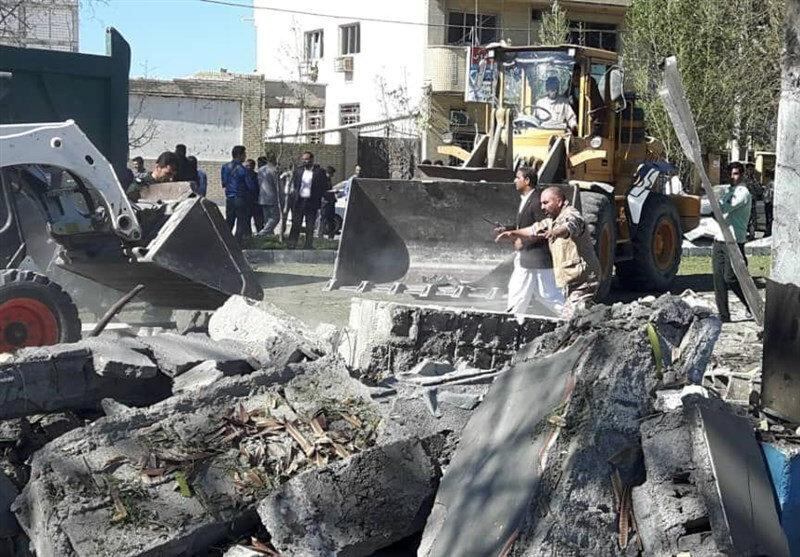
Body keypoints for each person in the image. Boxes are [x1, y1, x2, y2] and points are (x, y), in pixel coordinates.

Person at [496, 186, 600, 317]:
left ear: (559, 201)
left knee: (571, 317)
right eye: (541, 204)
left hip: (585, 280)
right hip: (571, 281)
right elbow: (533, 230)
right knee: (577, 316)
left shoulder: (571, 214)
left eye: (546, 203)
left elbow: (571, 225)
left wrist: (556, 232)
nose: (542, 207)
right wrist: (512, 233)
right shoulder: (552, 221)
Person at [494, 167, 564, 318]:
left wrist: (522, 242)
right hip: (529, 259)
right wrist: (507, 229)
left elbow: (542, 229)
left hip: (536, 258)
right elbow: (526, 226)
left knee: (545, 294)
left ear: (527, 181)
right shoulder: (527, 200)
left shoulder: (537, 201)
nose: (514, 180)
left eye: (517, 177)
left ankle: (575, 317)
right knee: (526, 292)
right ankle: (514, 321)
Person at [711, 162, 753, 322]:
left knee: (731, 277)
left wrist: (714, 203)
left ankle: (751, 304)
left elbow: (723, 209)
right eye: (730, 173)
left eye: (735, 173)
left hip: (734, 241)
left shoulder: (743, 193)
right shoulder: (728, 191)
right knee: (718, 279)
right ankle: (724, 315)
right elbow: (717, 213)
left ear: (741, 174)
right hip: (719, 239)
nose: (732, 176)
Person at [288, 151, 329, 249]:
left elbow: (324, 186)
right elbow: (295, 185)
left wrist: (322, 198)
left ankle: (308, 244)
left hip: (312, 202)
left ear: (312, 160)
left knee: (310, 225)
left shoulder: (319, 172)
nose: (305, 161)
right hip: (299, 201)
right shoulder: (298, 171)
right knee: (296, 223)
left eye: (307, 159)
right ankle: (292, 244)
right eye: (304, 159)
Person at [221, 145, 251, 243]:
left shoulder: (225, 167)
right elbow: (249, 185)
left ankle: (224, 241)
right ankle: (237, 243)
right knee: (241, 222)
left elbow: (224, 183)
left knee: (229, 221)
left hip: (229, 198)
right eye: (244, 154)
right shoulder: (243, 169)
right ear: (240, 155)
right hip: (240, 198)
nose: (245, 156)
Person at [256, 152, 280, 236]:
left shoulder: (261, 169)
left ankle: (269, 236)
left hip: (262, 197)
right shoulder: (274, 170)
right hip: (272, 197)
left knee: (267, 219)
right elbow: (277, 185)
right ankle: (262, 233)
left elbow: (259, 182)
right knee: (275, 218)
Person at [319, 165, 337, 239]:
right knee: (323, 219)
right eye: (331, 173)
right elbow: (323, 192)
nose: (332, 175)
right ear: (328, 173)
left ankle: (331, 235)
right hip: (325, 202)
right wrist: (332, 191)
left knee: (331, 219)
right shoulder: (323, 180)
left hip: (331, 202)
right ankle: (320, 235)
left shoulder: (329, 180)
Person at [763, 170, 774, 237]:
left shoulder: (771, 183)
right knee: (769, 218)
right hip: (769, 202)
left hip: (769, 203)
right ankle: (768, 231)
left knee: (769, 218)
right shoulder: (771, 183)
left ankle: (768, 232)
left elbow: (768, 194)